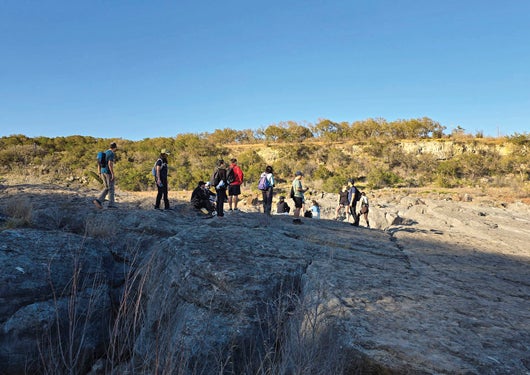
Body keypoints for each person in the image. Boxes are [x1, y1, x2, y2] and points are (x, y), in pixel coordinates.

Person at [93, 142, 118, 209]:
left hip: (102, 172)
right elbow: (110, 164)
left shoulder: (105, 152)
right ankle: (111, 205)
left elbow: (99, 164)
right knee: (111, 188)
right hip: (108, 172)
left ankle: (98, 201)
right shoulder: (111, 153)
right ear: (115, 147)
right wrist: (112, 174)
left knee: (107, 187)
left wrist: (99, 173)